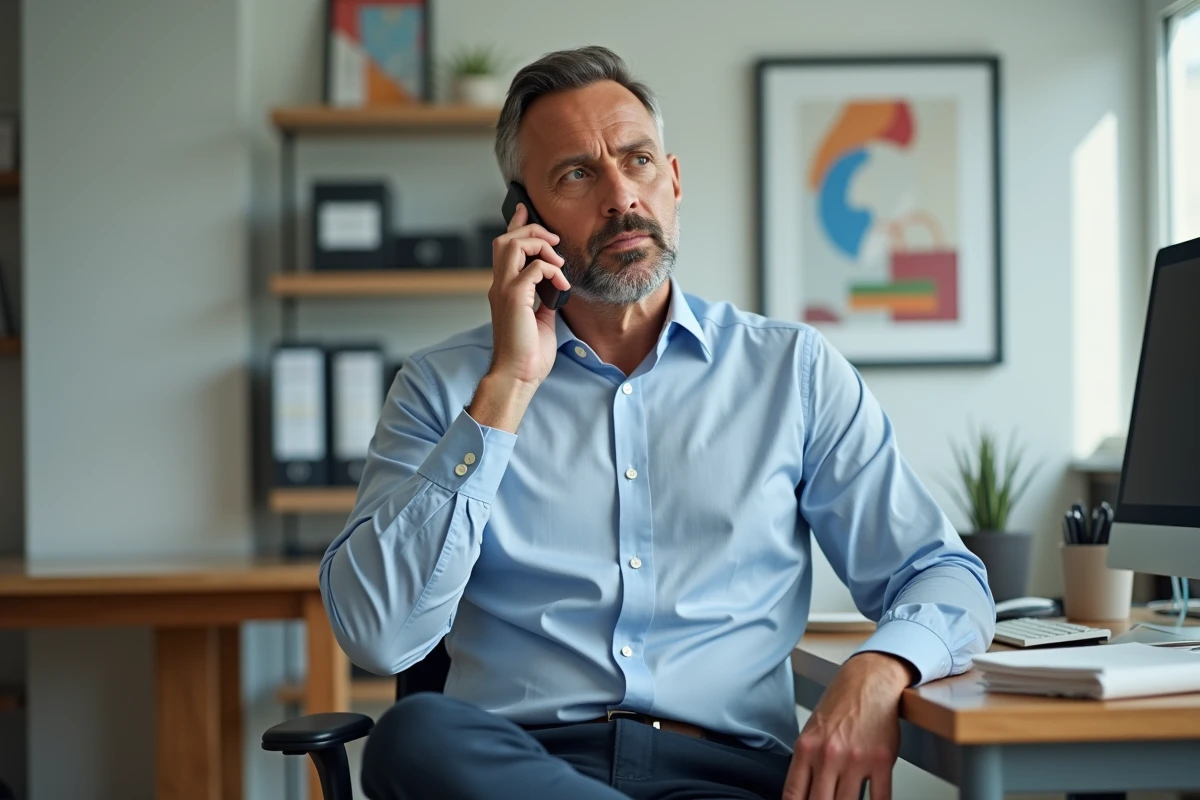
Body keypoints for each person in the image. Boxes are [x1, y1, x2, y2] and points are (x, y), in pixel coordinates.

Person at [320, 45, 995, 800]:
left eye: (637, 161)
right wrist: (507, 390)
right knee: (413, 738)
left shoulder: (793, 372)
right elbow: (378, 635)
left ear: (672, 182)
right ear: (525, 216)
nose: (620, 196)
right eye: (577, 173)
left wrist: (880, 667)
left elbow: (943, 575)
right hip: (525, 770)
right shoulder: (444, 388)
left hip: (729, 775)